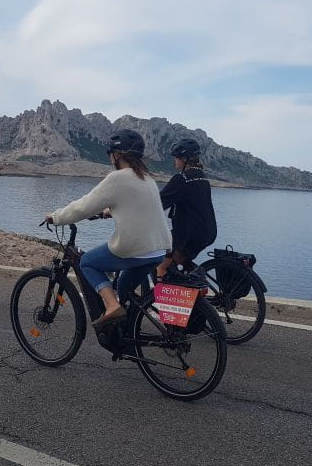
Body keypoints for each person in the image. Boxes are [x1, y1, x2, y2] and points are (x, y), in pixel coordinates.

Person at [46, 129, 171, 328]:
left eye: (109, 153)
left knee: (87, 262)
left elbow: (83, 206)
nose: (110, 158)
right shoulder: (147, 178)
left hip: (135, 250)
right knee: (123, 288)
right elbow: (136, 205)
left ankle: (112, 306)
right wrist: (109, 211)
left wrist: (56, 217)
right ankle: (127, 331)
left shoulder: (118, 178)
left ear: (117, 154)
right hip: (157, 252)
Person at [156, 137, 217, 278]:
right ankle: (188, 287)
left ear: (184, 159)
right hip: (207, 232)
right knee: (176, 263)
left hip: (188, 235)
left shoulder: (182, 179)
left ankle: (160, 299)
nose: (174, 161)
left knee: (160, 266)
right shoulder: (203, 177)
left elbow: (158, 203)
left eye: (176, 158)